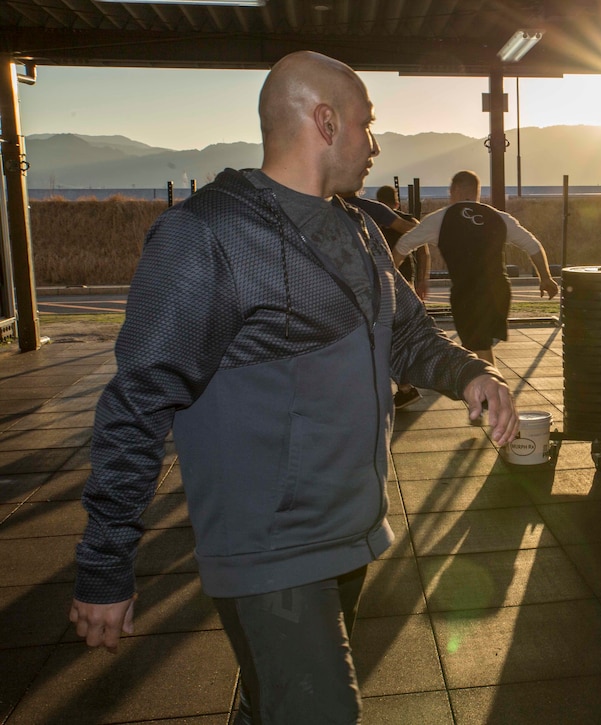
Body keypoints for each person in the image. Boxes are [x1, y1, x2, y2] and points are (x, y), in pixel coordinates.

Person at [68, 51, 520, 725]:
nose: (375, 144)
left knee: (272, 699)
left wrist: (469, 374)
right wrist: (105, 560)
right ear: (327, 121)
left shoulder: (360, 230)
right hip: (271, 549)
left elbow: (407, 336)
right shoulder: (209, 236)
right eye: (368, 125)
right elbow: (137, 401)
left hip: (350, 534)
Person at [392, 170, 559, 364]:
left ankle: (492, 391)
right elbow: (533, 245)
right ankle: (481, 386)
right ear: (477, 191)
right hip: (499, 294)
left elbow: (402, 247)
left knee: (480, 349)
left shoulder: (441, 219)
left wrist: (388, 280)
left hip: (467, 295)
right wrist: (545, 277)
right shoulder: (499, 218)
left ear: (454, 189)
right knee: (477, 347)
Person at [342, 185, 427, 408]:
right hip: (381, 282)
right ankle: (403, 387)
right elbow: (413, 233)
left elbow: (413, 232)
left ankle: (397, 387)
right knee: (389, 334)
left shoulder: (359, 209)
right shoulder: (370, 209)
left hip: (365, 285)